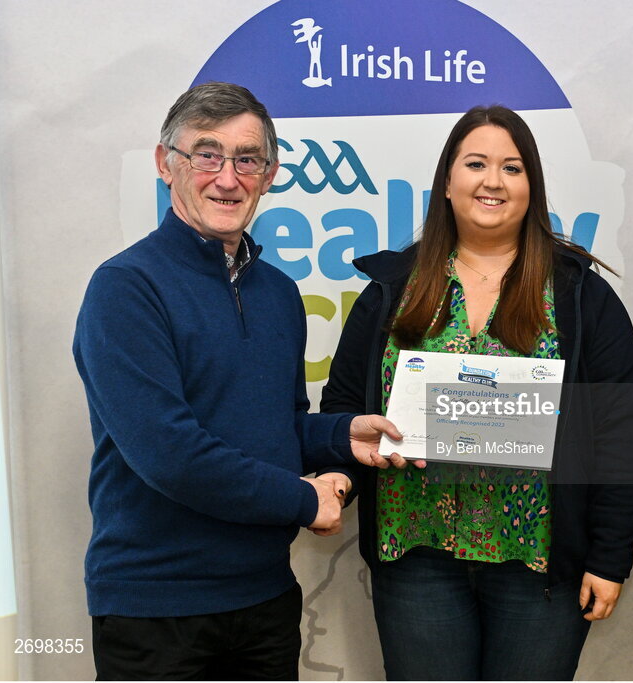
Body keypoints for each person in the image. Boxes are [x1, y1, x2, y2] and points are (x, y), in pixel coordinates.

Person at [72, 81, 410, 680]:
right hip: (157, 612)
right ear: (165, 164)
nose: (227, 178)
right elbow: (170, 454)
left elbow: (271, 428)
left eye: (246, 159)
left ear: (270, 173)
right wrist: (303, 499)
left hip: (264, 601)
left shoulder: (278, 293)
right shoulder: (125, 289)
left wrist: (341, 436)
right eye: (206, 154)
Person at [320, 105, 633, 680]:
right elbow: (344, 409)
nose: (492, 181)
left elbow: (621, 436)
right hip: (416, 558)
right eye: (476, 163)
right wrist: (339, 478)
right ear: (448, 182)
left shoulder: (579, 297)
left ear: (531, 186)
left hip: (539, 567)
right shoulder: (391, 291)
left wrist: (610, 555)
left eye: (512, 167)